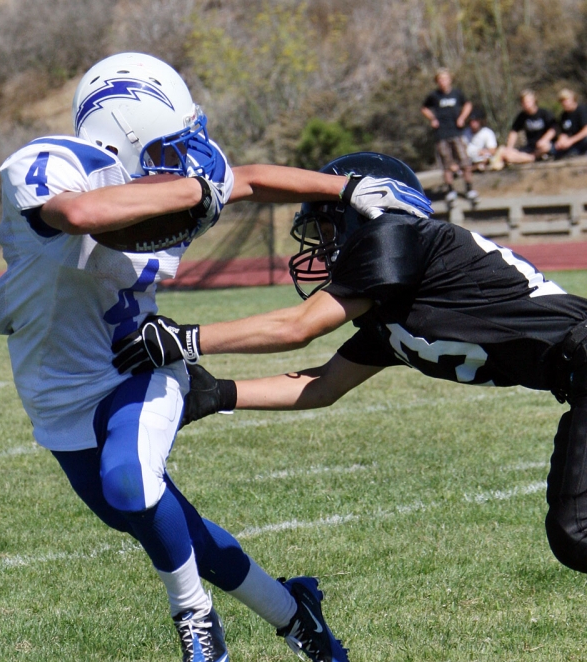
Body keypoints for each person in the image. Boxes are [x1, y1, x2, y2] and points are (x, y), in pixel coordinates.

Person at [0, 54, 432, 662]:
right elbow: (81, 216)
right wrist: (202, 190)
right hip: (52, 384)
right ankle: (292, 609)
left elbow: (245, 177)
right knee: (156, 517)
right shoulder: (48, 163)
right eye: (168, 144)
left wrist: (344, 189)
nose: (181, 159)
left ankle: (195, 615)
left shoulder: (170, 173)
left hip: (137, 358)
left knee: (131, 480)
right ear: (126, 129)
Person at [112, 150, 587, 587]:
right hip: (577, 380)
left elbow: (299, 328)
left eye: (327, 231)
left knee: (576, 530)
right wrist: (222, 394)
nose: (320, 250)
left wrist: (188, 340)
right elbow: (322, 385)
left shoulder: (403, 235)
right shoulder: (394, 307)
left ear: (364, 214)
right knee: (572, 531)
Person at [421, 67, 478, 203]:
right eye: (440, 79)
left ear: (450, 79)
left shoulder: (457, 93)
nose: (443, 81)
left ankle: (469, 188)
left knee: (464, 161)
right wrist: (432, 119)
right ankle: (450, 190)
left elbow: (468, 104)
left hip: (456, 132)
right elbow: (424, 108)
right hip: (441, 134)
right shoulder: (434, 96)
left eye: (445, 78)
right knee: (446, 164)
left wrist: (462, 118)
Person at [490, 89, 556, 170]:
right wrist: (509, 147)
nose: (526, 104)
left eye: (528, 101)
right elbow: (514, 132)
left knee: (545, 146)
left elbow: (554, 129)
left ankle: (529, 158)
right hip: (530, 147)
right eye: (524, 102)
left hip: (543, 146)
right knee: (506, 153)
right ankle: (531, 158)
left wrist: (544, 139)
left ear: (534, 100)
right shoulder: (522, 116)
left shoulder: (544, 113)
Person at [553, 88, 587, 160]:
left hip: (582, 140)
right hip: (573, 142)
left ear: (573, 99)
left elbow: (585, 130)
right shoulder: (564, 115)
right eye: (562, 101)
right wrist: (561, 140)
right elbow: (564, 132)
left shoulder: (582, 110)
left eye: (566, 100)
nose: (564, 103)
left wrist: (571, 141)